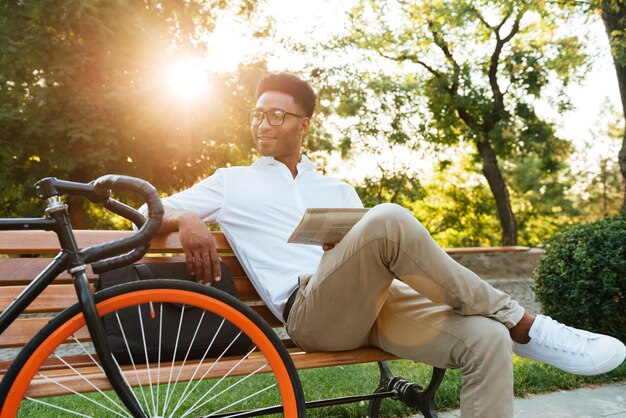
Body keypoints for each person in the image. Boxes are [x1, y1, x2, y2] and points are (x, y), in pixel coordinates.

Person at [153, 72, 626, 418]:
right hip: (312, 313)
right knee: (389, 217)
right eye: (256, 115)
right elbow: (140, 206)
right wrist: (186, 216)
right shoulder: (230, 183)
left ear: (304, 125)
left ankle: (508, 328)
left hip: (379, 304)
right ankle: (527, 325)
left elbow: (374, 252)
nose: (262, 124)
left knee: (485, 341)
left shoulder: (335, 187)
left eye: (276, 114)